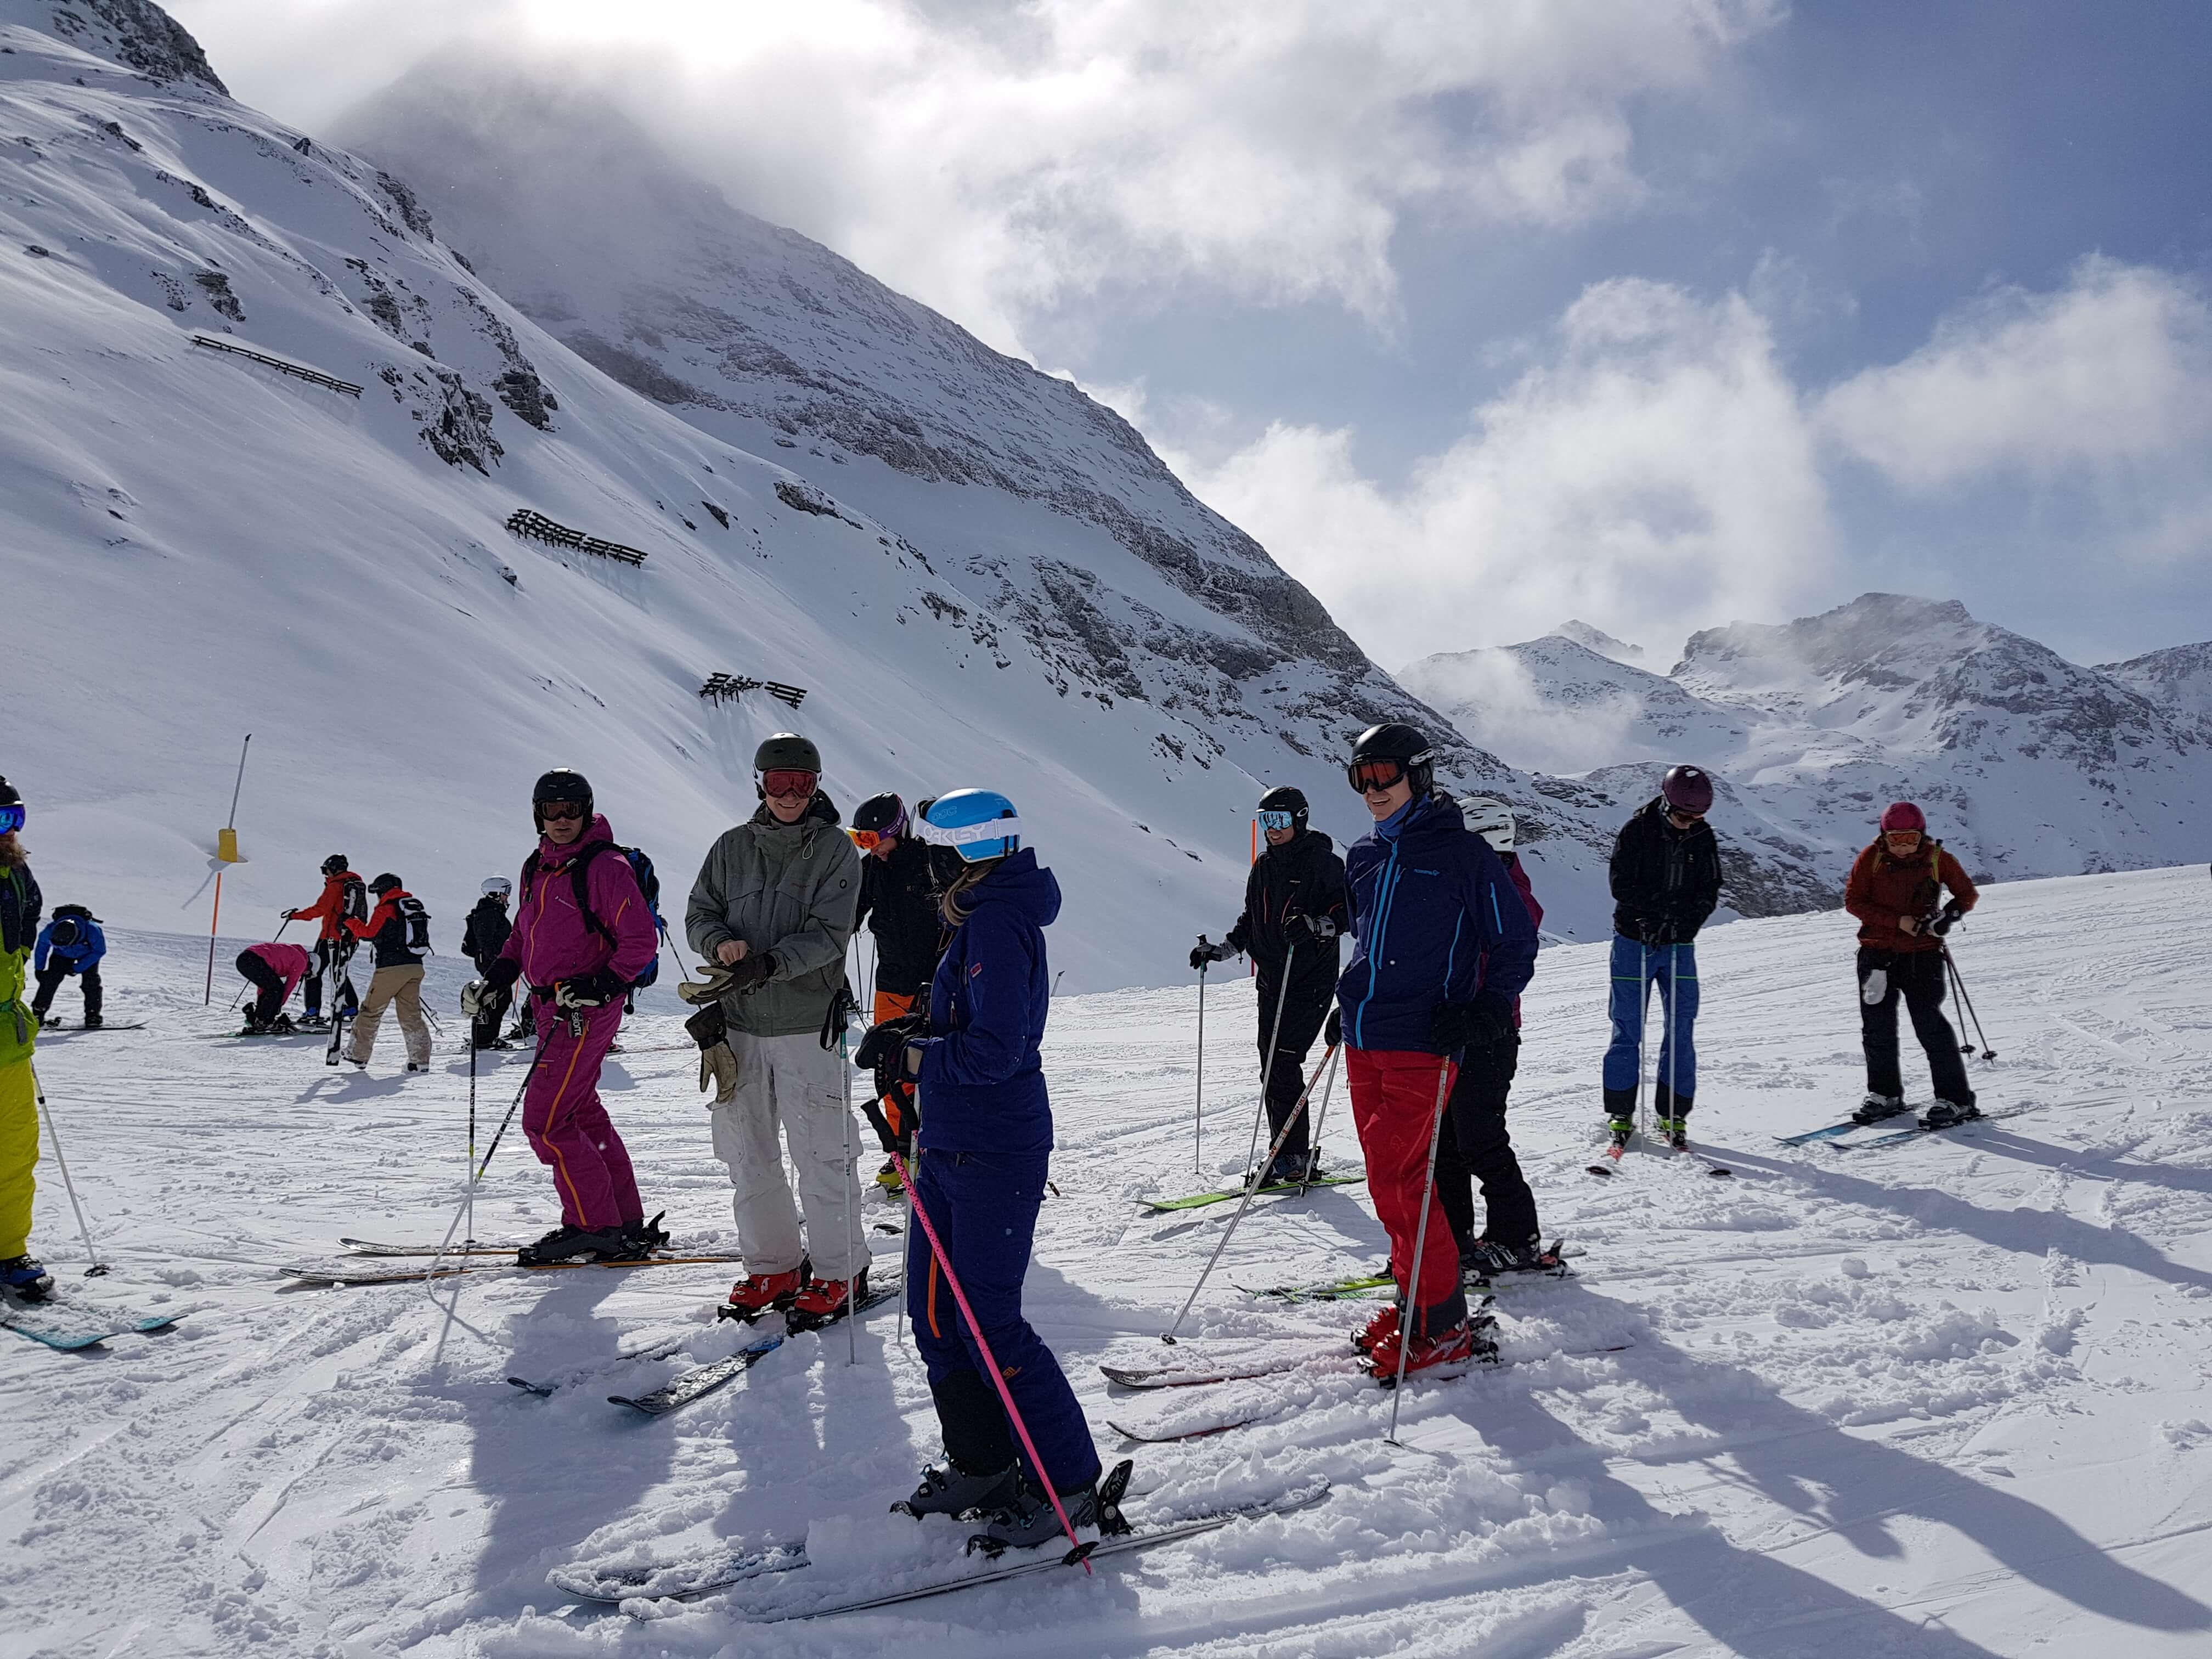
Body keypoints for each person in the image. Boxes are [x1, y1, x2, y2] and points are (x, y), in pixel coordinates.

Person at [876, 789, 1107, 1549]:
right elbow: (967, 1028)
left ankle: (1068, 1481)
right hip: (949, 1140)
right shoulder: (978, 918)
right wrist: (917, 1033)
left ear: (967, 853)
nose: (929, 870)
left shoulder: (999, 924)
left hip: (994, 1147)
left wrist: (913, 1054)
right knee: (937, 1317)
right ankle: (982, 1461)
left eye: (940, 854)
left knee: (987, 1323)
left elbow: (999, 1050)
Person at [1327, 726, 1538, 1380]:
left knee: (1409, 1183)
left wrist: (1486, 1008)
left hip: (1425, 1040)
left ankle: (1443, 1324)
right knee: (1385, 1184)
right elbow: (1369, 943)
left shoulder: (1462, 855)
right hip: (1368, 1038)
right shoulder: (1363, 853)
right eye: (1359, 777)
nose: (1371, 790)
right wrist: (1352, 1002)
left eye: (1383, 774)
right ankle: (1416, 1305)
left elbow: (1514, 942)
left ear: (1418, 774)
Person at [685, 734, 865, 1321]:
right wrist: (718, 943)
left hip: (807, 1024)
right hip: (739, 1026)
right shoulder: (731, 847)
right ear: (760, 783)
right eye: (778, 782)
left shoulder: (835, 851)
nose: (789, 794)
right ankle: (774, 1267)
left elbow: (829, 935)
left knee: (822, 1151)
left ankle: (842, 1270)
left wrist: (771, 963)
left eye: (802, 784)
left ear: (816, 787)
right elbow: (699, 913)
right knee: (748, 1152)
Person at [466, 769, 662, 1265]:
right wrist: (497, 978)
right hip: (548, 1007)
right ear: (538, 814)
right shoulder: (539, 865)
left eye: (571, 810)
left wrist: (601, 986)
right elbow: (520, 937)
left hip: (583, 1012)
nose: (561, 820)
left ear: (587, 811)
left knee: (546, 1122)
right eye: (550, 811)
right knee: (578, 1111)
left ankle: (593, 1225)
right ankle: (621, 1217)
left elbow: (640, 942)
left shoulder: (605, 867)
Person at [1190, 785, 1348, 1185]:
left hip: (1310, 979)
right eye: (1265, 822)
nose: (1272, 830)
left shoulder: (1322, 863)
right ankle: (1287, 1154)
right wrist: (1222, 951)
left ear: (1299, 819)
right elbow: (1252, 919)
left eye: (1279, 821)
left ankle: (1292, 1158)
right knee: (1271, 1067)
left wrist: (1316, 927)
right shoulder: (1263, 866)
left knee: (1283, 1064)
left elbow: (1347, 914)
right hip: (1273, 979)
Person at [1432, 797, 1551, 1274]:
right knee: (1443, 1141)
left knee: (1479, 1138)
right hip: (1450, 1031)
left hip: (1489, 1034)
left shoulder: (1511, 894)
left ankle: (1517, 1237)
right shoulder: (1471, 880)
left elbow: (1506, 957)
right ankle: (1453, 1241)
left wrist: (1481, 1011)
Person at [1602, 764, 1722, 1151]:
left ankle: (1673, 1113)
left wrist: (1684, 926)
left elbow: (1709, 890)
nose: (1690, 823)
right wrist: (1648, 917)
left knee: (1681, 1028)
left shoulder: (1703, 838)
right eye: (1684, 815)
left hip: (1677, 946)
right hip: (1633, 942)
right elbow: (1621, 884)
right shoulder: (1636, 832)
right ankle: (1621, 1111)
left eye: (1698, 817)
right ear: (1667, 803)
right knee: (1627, 1028)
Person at [1844, 802, 1980, 1127]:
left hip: (1923, 955)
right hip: (1877, 955)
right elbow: (1854, 902)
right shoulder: (1871, 858)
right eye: (1896, 839)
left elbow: (1967, 895)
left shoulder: (1937, 859)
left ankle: (1955, 1100)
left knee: (1929, 1024)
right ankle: (1884, 1095)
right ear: (1884, 837)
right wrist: (1899, 921)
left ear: (1921, 836)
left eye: (1910, 839)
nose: (1903, 846)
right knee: (1877, 1028)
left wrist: (1946, 919)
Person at [849, 792, 945, 1190]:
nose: (871, 849)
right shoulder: (872, 868)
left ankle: (937, 1151)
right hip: (890, 985)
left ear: (897, 832)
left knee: (935, 1071)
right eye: (861, 841)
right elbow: (849, 916)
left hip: (934, 984)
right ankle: (901, 1154)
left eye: (874, 840)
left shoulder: (930, 863)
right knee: (890, 1069)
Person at [0, 776, 53, 1301]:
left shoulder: (19, 878)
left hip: (6, 1040)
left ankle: (7, 1251)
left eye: (14, 819)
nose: (9, 832)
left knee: (15, 1151)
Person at [342, 873, 432, 1072]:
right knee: (411, 1015)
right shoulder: (411, 906)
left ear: (383, 889)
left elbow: (369, 933)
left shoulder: (387, 908)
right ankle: (420, 1061)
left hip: (391, 968)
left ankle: (358, 1055)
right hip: (415, 966)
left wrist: (350, 922)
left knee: (370, 1011)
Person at [284, 855, 364, 1028]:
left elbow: (320, 909)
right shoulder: (353, 885)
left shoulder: (336, 886)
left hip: (330, 938)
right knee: (339, 972)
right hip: (350, 937)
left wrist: (295, 916)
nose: (325, 875)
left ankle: (313, 1011)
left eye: (325, 870)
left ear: (333, 868)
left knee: (313, 971)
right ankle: (350, 1008)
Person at [30, 904, 104, 1029]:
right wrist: (39, 969)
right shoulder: (49, 930)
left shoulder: (92, 929)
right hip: (61, 956)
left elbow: (99, 951)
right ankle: (38, 1013)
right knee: (49, 981)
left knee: (91, 983)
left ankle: (93, 1015)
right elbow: (41, 950)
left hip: (87, 954)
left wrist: (78, 968)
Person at [461, 877, 515, 1050]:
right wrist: (498, 958)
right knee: (495, 996)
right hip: (491, 961)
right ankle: (484, 1038)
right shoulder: (488, 913)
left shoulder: (493, 911)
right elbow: (486, 941)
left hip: (493, 960)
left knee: (499, 997)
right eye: (506, 892)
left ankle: (486, 1037)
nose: (508, 897)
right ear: (495, 893)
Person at [234, 940, 311, 1034]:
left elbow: (265, 986)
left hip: (243, 960)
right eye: (308, 973)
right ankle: (264, 1022)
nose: (304, 975)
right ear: (310, 965)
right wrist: (278, 1005)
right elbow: (289, 986)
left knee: (273, 988)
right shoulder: (301, 961)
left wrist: (261, 1005)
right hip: (254, 960)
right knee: (277, 989)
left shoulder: (290, 953)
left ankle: (256, 1018)